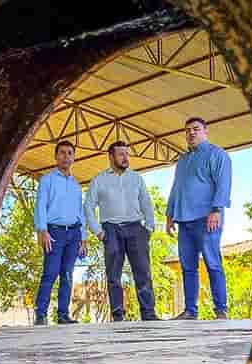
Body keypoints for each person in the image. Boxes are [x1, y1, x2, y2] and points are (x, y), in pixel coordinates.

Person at [84, 141, 160, 322]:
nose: (126, 158)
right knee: (114, 276)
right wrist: (98, 232)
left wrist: (149, 227)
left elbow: (146, 202)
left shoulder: (136, 178)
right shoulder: (99, 180)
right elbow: (88, 206)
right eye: (121, 154)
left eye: (127, 154)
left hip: (136, 228)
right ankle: (118, 315)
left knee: (143, 273)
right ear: (111, 157)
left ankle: (148, 313)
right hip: (111, 230)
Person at [166, 117, 231, 320]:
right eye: (187, 131)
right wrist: (170, 214)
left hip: (207, 218)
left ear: (206, 131)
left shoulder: (217, 154)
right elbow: (176, 187)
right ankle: (190, 311)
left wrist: (216, 209)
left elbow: (223, 183)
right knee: (188, 266)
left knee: (212, 263)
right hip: (184, 220)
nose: (191, 133)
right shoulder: (183, 161)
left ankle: (221, 310)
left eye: (195, 129)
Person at [32, 140, 87, 326]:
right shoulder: (47, 180)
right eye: (62, 153)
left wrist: (83, 238)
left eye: (69, 153)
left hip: (74, 234)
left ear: (74, 157)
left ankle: (63, 315)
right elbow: (40, 206)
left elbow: (80, 212)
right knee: (50, 273)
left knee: (68, 274)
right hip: (54, 233)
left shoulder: (76, 185)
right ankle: (41, 314)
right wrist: (42, 230)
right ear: (56, 156)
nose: (66, 156)